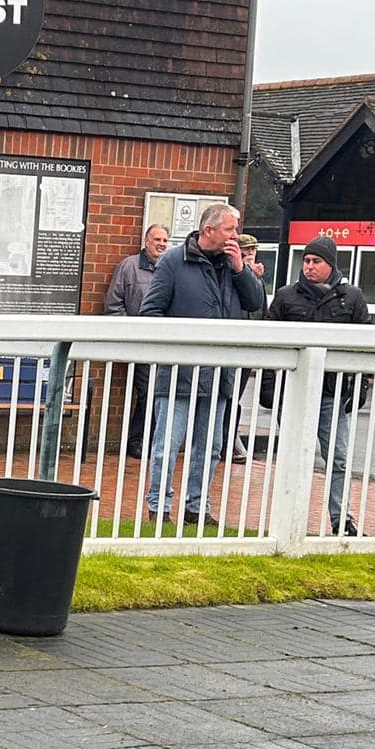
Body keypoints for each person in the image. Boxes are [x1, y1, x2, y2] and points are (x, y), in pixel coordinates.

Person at [140, 203, 262, 526]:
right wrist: (177, 348)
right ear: (209, 231)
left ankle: (198, 507)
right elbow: (150, 313)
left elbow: (256, 302)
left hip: (221, 373)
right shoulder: (173, 262)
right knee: (167, 445)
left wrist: (240, 270)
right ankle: (159, 507)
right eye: (229, 230)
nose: (235, 236)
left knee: (211, 447)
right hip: (179, 374)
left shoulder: (233, 266)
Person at [268, 234, 375, 535]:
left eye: (316, 261)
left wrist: (360, 388)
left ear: (331, 264)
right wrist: (268, 388)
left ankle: (341, 518)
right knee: (292, 454)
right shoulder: (286, 296)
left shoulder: (352, 298)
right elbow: (270, 343)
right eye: (306, 260)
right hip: (293, 392)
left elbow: (363, 348)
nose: (310, 266)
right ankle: (286, 517)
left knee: (338, 458)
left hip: (332, 393)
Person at [103, 222, 169, 457]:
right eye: (156, 239)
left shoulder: (169, 268)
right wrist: (131, 334)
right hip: (139, 343)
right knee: (148, 391)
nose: (161, 244)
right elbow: (113, 304)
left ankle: (152, 440)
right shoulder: (129, 267)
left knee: (160, 391)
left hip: (164, 345)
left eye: (164, 240)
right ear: (146, 241)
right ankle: (138, 440)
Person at [218, 233, 269, 464]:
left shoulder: (257, 279)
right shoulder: (231, 275)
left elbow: (262, 311)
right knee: (225, 396)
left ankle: (229, 439)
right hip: (229, 346)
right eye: (245, 251)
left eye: (252, 251)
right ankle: (227, 442)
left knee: (234, 397)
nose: (249, 255)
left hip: (249, 347)